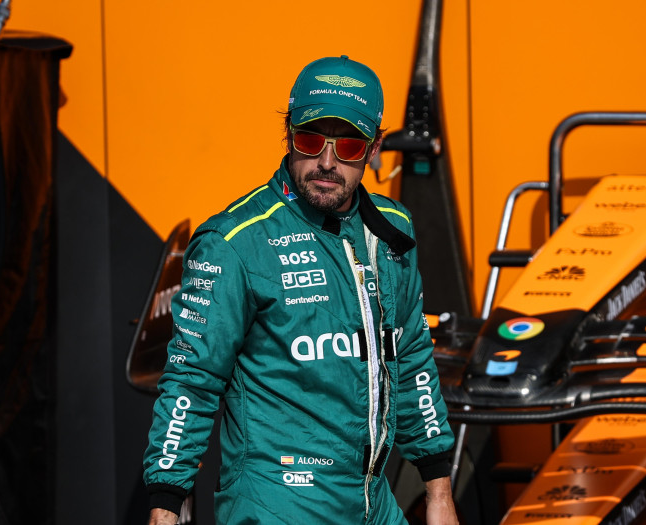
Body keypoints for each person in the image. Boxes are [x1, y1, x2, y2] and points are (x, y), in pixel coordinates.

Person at [142, 55, 458, 524]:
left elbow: (411, 359)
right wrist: (164, 508)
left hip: (373, 503)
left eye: (349, 145)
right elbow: (191, 384)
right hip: (277, 507)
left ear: (374, 148)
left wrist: (438, 492)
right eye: (310, 140)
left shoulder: (393, 232)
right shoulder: (233, 242)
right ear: (289, 136)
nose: (327, 162)